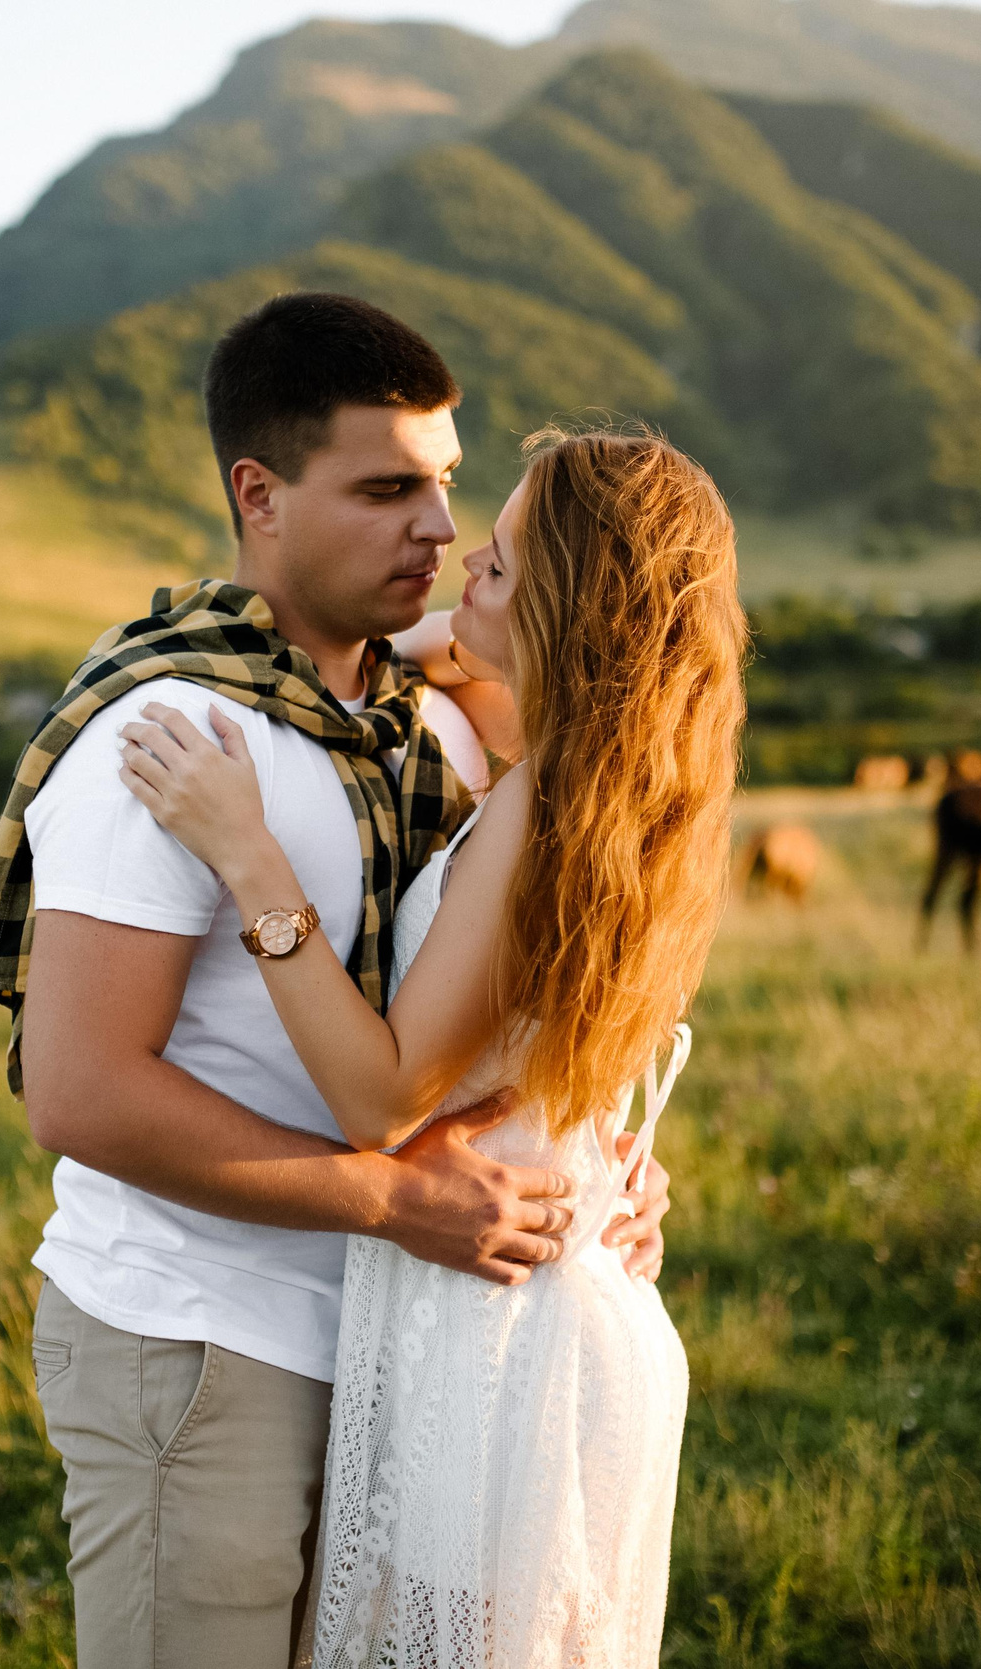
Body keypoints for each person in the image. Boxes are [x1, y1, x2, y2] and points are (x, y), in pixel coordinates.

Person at [0, 293, 674, 1668]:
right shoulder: (173, 736)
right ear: (262, 495)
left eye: (448, 484)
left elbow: (497, 1004)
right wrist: (398, 1198)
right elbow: (81, 1093)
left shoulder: (432, 730)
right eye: (385, 490)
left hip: (405, 1350)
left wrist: (591, 1166)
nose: (439, 528)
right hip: (202, 1337)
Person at [116, 425, 744, 1665]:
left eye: (499, 564)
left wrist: (247, 855)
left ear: (567, 606)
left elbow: (384, 1097)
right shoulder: (624, 775)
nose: (463, 569)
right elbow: (430, 650)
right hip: (540, 1303)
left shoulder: (541, 801)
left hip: (503, 1342)